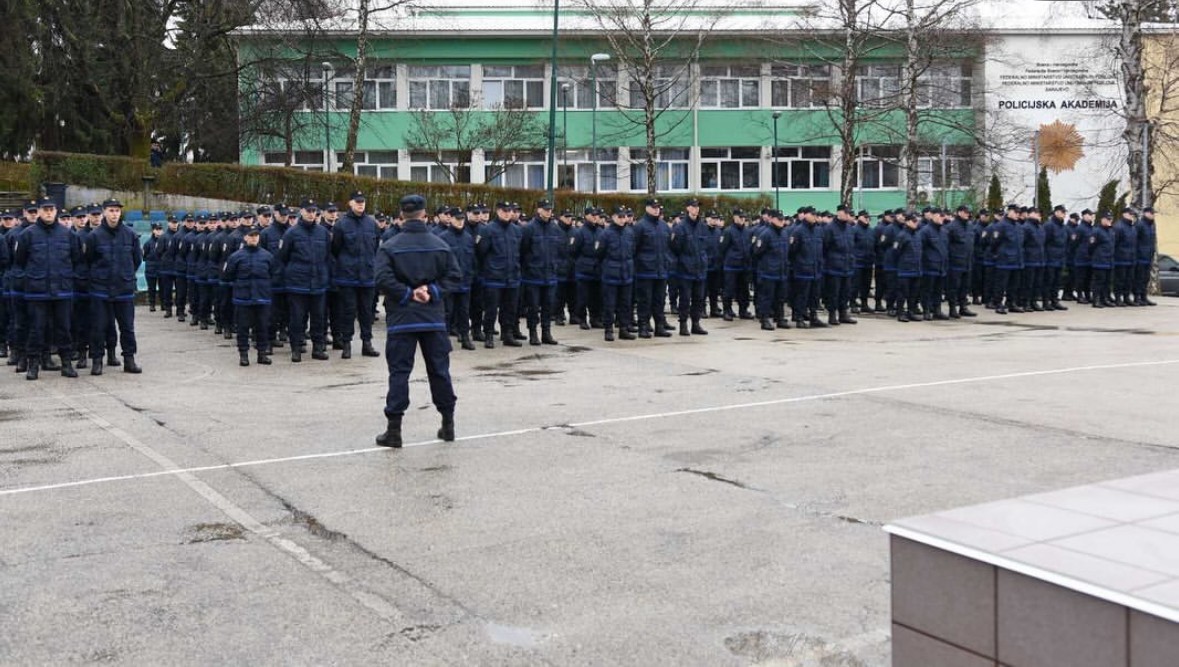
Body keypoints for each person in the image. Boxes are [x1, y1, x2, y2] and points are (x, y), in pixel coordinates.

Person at [373, 194, 461, 449]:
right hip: (433, 318)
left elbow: (381, 278)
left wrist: (406, 294)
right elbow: (454, 277)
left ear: (401, 216)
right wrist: (430, 292)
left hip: (402, 318)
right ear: (425, 215)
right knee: (439, 371)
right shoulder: (440, 244)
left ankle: (394, 430)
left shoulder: (389, 245)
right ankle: (448, 423)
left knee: (399, 373)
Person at [15, 198, 82, 380]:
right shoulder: (27, 235)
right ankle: (34, 365)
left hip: (62, 290)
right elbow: (20, 262)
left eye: (51, 209)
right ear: (38, 211)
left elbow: (76, 260)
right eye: (45, 209)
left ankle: (66, 364)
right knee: (36, 329)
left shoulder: (68, 235)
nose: (48, 212)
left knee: (63, 328)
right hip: (37, 292)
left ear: (56, 210)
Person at [84, 199, 143, 375]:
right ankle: (97, 360)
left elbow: (136, 260)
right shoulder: (94, 236)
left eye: (117, 210)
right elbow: (88, 261)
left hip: (123, 289)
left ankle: (129, 360)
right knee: (98, 327)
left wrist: (126, 275)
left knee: (127, 327)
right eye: (111, 210)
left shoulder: (130, 235)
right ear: (104, 212)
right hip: (100, 289)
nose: (114, 214)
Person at [279, 199, 332, 362]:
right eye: (308, 211)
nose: (311, 214)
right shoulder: (291, 233)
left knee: (318, 317)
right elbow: (283, 257)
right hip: (297, 283)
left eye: (313, 211)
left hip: (318, 282)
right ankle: (296, 348)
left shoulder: (323, 233)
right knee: (297, 318)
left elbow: (327, 255)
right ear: (301, 211)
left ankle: (317, 348)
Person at [331, 191, 381, 359]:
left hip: (367, 275)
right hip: (348, 276)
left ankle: (367, 343)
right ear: (350, 203)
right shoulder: (341, 224)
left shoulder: (371, 223)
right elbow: (336, 248)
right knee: (348, 311)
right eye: (357, 201)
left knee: (366, 312)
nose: (361, 204)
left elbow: (375, 247)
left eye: (363, 201)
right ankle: (346, 344)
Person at [223, 225, 278, 366]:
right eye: (251, 235)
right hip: (243, 298)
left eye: (256, 235)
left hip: (262, 297)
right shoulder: (236, 257)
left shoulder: (267, 256)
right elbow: (228, 275)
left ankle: (262, 354)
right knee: (243, 328)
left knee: (263, 327)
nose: (254, 238)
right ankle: (243, 354)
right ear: (245, 237)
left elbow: (273, 274)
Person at [474, 202, 523, 348]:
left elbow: (520, 252)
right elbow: (481, 252)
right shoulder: (488, 230)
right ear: (498, 211)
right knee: (491, 308)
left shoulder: (516, 230)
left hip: (512, 276)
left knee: (510, 308)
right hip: (494, 276)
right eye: (504, 210)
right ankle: (488, 334)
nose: (507, 213)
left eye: (510, 210)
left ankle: (507, 334)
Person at [519, 199, 563, 345]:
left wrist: (556, 265)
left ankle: (546, 332)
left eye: (549, 209)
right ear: (538, 210)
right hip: (533, 276)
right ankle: (533, 333)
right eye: (545, 209)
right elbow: (523, 251)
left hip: (550, 275)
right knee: (533, 307)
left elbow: (560, 250)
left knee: (548, 306)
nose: (548, 212)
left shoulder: (555, 228)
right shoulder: (529, 228)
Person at [632, 198, 673, 338]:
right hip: (645, 271)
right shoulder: (640, 226)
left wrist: (668, 262)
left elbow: (669, 247)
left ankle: (659, 326)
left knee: (659, 300)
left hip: (661, 270)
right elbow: (634, 249)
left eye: (658, 207)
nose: (657, 210)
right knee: (645, 301)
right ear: (647, 208)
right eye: (654, 207)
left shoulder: (664, 226)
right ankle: (643, 326)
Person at [669, 199, 710, 336]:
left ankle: (696, 323)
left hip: (700, 269)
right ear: (687, 208)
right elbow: (675, 248)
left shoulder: (702, 226)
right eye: (693, 206)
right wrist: (682, 263)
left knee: (699, 298)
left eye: (697, 206)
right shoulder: (680, 227)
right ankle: (683, 324)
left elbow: (706, 246)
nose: (696, 209)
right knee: (685, 298)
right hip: (685, 270)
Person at [596, 206, 636, 341]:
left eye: (624, 216)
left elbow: (632, 251)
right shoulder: (606, 234)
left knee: (625, 303)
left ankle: (623, 328)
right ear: (613, 217)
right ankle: (608, 329)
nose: (622, 219)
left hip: (626, 273)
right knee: (609, 304)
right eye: (619, 216)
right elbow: (599, 253)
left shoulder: (629, 232)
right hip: (611, 274)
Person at [143, 222, 164, 312]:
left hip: (162, 268)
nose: (159, 231)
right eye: (157, 229)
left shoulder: (165, 241)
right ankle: (152, 304)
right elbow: (144, 256)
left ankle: (163, 304)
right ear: (153, 230)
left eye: (160, 229)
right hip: (151, 269)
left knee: (163, 288)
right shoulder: (148, 243)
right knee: (151, 288)